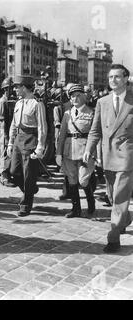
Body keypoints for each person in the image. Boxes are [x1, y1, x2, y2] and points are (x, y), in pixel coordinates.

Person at [83, 64, 133, 254]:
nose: (113, 80)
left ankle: (113, 237)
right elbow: (95, 130)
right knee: (113, 197)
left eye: (117, 77)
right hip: (107, 156)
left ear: (126, 79)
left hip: (127, 155)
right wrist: (89, 149)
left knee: (120, 196)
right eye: (111, 77)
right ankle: (125, 218)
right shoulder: (102, 102)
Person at [7, 76, 47, 217]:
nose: (15, 90)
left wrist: (40, 147)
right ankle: (30, 189)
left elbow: (42, 127)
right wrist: (11, 143)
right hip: (19, 138)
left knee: (28, 175)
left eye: (17, 87)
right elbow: (13, 124)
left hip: (31, 138)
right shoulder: (18, 103)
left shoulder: (37, 104)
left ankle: (26, 204)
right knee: (13, 172)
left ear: (24, 87)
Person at [56, 84, 96, 219]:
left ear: (85, 96)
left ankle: (91, 200)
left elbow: (96, 135)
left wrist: (96, 154)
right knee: (72, 180)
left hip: (85, 151)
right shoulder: (67, 114)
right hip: (69, 151)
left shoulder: (92, 113)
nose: (75, 98)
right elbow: (61, 135)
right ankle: (76, 209)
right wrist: (58, 153)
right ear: (70, 99)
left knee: (83, 180)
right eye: (73, 96)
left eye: (79, 95)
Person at [0, 77, 16, 187]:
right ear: (6, 89)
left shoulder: (9, 101)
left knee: (9, 155)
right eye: (10, 88)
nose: (12, 90)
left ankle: (7, 175)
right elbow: (2, 121)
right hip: (4, 132)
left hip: (9, 132)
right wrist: (5, 136)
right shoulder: (2, 101)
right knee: (4, 154)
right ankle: (4, 177)